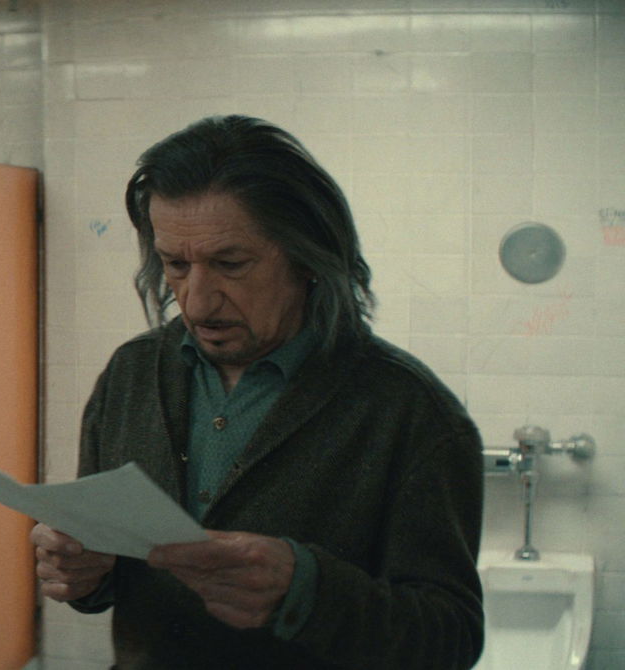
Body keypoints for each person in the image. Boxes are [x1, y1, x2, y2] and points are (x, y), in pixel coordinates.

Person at [31, 115, 483, 669]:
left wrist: (307, 592)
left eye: (230, 264)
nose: (197, 301)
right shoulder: (132, 373)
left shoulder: (410, 412)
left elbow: (452, 640)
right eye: (175, 265)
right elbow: (106, 561)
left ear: (307, 256)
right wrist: (84, 573)